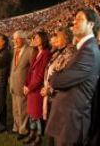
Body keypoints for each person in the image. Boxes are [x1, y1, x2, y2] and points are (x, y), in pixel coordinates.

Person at [46, 8, 100, 146]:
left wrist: (54, 77)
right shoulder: (83, 48)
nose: (74, 22)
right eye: (74, 19)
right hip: (67, 119)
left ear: (91, 25)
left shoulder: (89, 51)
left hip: (72, 123)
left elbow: (59, 81)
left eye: (80, 19)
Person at [40, 27, 74, 146]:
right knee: (51, 130)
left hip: (59, 98)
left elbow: (64, 78)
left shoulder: (70, 53)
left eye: (58, 36)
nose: (54, 38)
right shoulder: (58, 52)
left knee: (58, 132)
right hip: (51, 96)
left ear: (66, 38)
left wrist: (49, 90)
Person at [23, 31, 51, 145]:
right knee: (31, 114)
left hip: (37, 89)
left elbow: (40, 75)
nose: (34, 39)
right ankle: (32, 134)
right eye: (34, 38)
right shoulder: (36, 52)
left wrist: (30, 87)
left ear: (43, 39)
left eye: (37, 38)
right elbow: (30, 71)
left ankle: (38, 137)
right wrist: (25, 84)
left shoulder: (46, 53)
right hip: (31, 88)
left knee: (37, 115)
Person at [9, 30, 33, 140]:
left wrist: (28, 84)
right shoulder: (15, 50)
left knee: (22, 109)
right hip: (13, 84)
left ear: (23, 39)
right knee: (15, 109)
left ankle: (23, 130)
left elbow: (33, 69)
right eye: (14, 38)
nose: (15, 41)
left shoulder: (30, 50)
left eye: (17, 38)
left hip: (22, 85)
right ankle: (16, 127)